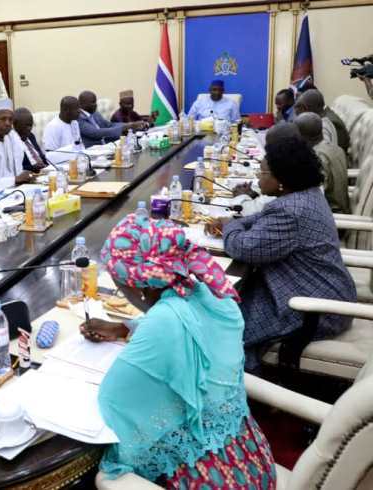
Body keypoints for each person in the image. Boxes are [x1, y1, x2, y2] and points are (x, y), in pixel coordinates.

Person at [85, 214, 277, 488]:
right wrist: (125, 328)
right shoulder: (210, 294)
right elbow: (190, 324)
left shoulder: (164, 322)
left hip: (207, 475)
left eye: (117, 281)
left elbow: (113, 400)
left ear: (138, 285)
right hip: (251, 461)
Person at [206, 136, 356, 370]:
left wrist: (230, 226)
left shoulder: (289, 211)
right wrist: (235, 220)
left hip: (314, 310)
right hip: (322, 290)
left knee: (224, 323)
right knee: (229, 303)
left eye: (263, 172)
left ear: (281, 180)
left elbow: (243, 247)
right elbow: (261, 217)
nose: (257, 176)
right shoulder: (305, 195)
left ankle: (235, 379)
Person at [294, 112, 350, 214]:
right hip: (339, 206)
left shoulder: (317, 157)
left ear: (301, 135)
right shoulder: (336, 149)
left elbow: (314, 195)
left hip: (329, 213)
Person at [78, 91, 145, 148]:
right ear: (82, 104)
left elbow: (109, 125)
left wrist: (129, 125)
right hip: (93, 151)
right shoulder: (78, 118)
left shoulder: (94, 113)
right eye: (93, 102)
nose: (95, 105)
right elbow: (96, 133)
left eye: (95, 102)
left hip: (107, 146)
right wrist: (126, 127)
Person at [13, 107, 49, 172]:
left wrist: (48, 165)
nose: (29, 128)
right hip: (29, 175)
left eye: (31, 125)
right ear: (15, 125)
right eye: (26, 125)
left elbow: (41, 155)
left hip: (43, 172)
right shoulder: (12, 142)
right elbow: (15, 167)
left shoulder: (31, 136)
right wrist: (33, 167)